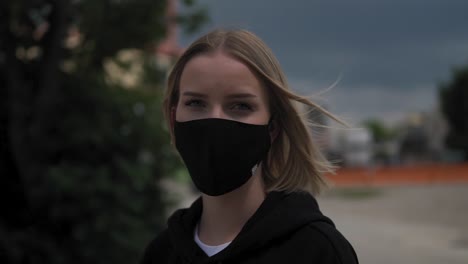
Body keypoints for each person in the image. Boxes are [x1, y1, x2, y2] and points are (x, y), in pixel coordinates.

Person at [140, 29, 359, 264]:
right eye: (195, 102)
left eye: (241, 106)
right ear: (174, 119)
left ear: (272, 128)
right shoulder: (160, 253)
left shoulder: (319, 252)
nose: (216, 120)